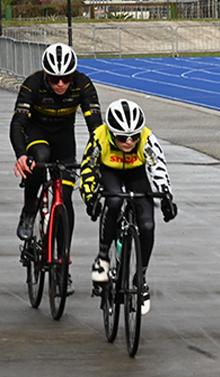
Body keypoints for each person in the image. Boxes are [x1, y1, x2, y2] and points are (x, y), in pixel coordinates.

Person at [11, 43, 102, 295]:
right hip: (37, 133)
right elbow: (18, 123)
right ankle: (30, 211)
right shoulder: (32, 84)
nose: (61, 83)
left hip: (64, 139)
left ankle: (62, 264)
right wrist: (21, 155)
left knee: (67, 200)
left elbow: (97, 128)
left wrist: (96, 159)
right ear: (45, 74)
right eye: (54, 78)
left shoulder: (82, 84)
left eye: (65, 78)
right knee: (39, 159)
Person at [80, 99, 178, 315]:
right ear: (111, 132)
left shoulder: (147, 138)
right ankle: (103, 258)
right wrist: (90, 197)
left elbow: (158, 167)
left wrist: (166, 197)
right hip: (110, 172)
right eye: (123, 137)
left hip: (136, 173)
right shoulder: (99, 136)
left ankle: (140, 277)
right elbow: (88, 168)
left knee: (147, 225)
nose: (129, 141)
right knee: (113, 201)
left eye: (134, 136)